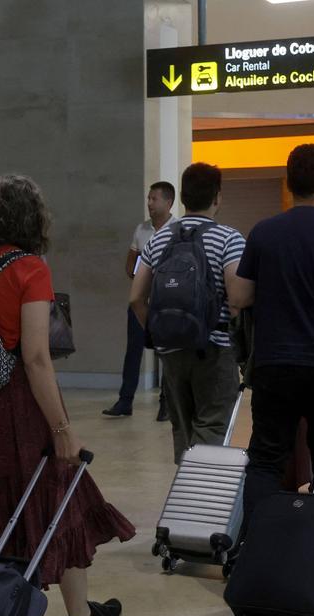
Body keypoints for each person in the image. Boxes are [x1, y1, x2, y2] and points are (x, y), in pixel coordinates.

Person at [0, 174, 134, 616]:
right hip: (19, 405)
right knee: (56, 496)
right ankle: (79, 615)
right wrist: (62, 426)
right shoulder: (29, 268)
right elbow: (36, 356)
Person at [228, 143, 314, 524]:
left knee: (266, 459)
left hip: (274, 364)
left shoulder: (263, 232)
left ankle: (259, 544)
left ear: (288, 183)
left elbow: (239, 296)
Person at [129, 165, 243, 462]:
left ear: (182, 197)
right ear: (217, 197)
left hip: (171, 352)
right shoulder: (230, 239)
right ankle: (200, 502)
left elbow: (136, 298)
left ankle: (185, 495)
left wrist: (158, 337)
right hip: (214, 349)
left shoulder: (158, 240)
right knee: (212, 426)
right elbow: (237, 299)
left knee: (182, 428)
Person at [104, 181, 176, 420]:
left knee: (167, 352)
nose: (150, 203)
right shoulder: (142, 229)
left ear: (169, 202)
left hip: (168, 301)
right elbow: (131, 263)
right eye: (148, 198)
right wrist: (143, 274)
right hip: (141, 299)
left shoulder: (179, 229)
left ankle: (167, 402)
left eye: (154, 199)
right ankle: (125, 401)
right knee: (133, 350)